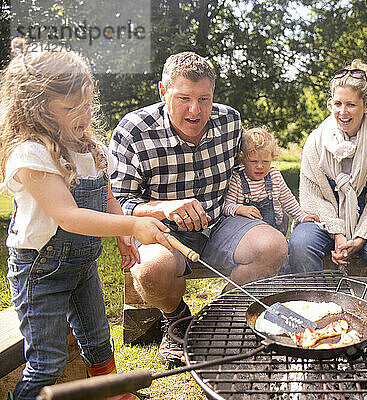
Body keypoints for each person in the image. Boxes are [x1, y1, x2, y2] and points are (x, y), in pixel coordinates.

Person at [0, 39, 172, 400]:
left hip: (82, 266)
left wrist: (123, 233)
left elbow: (105, 193)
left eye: (87, 104)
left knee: (98, 339)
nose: (83, 114)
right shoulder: (31, 153)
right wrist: (132, 226)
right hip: (40, 273)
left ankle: (111, 393)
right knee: (47, 361)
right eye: (70, 107)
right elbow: (69, 216)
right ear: (38, 110)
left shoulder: (87, 145)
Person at [109, 52, 287, 368]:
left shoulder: (231, 121)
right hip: (164, 233)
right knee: (151, 270)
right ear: (163, 92)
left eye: (204, 99)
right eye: (183, 99)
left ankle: (218, 321)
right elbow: (119, 206)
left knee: (274, 246)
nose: (195, 110)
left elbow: (241, 173)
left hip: (220, 222)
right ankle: (177, 319)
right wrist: (164, 208)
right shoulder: (133, 130)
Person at [284, 60, 367, 281]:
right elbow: (311, 198)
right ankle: (312, 304)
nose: (343, 112)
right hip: (325, 223)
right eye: (337, 103)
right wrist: (338, 233)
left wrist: (359, 238)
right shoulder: (316, 142)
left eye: (351, 105)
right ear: (330, 103)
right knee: (300, 241)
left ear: (366, 106)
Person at [223, 127, 319, 234]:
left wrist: (302, 216)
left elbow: (288, 199)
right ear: (243, 159)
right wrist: (239, 209)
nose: (260, 166)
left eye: (265, 161)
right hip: (247, 234)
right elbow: (226, 206)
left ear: (272, 158)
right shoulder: (238, 180)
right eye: (253, 161)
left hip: (274, 230)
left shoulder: (274, 176)